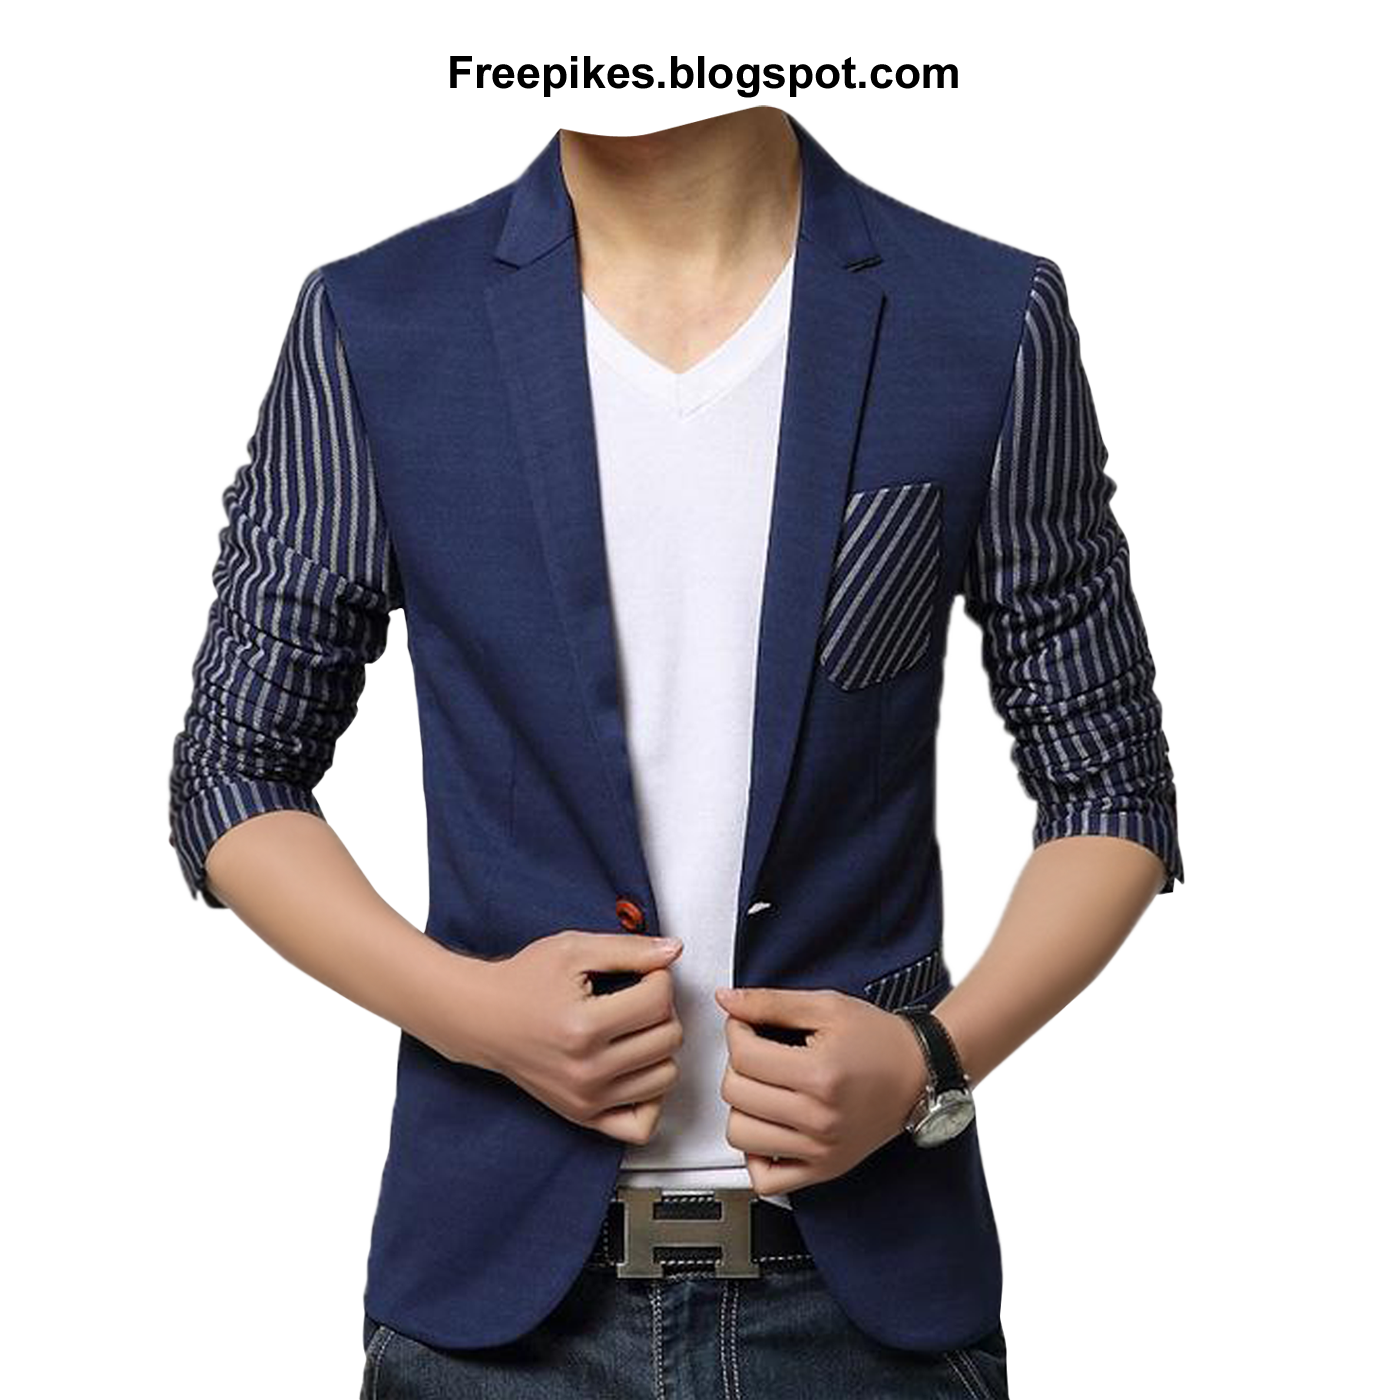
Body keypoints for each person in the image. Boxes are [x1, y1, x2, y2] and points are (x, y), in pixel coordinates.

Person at [166, 104, 1182, 1399]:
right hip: (493, 1314)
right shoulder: (377, 321)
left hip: (866, 1308)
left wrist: (932, 1057)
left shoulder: (983, 315)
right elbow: (234, 770)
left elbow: (1110, 785)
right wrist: (471, 1013)